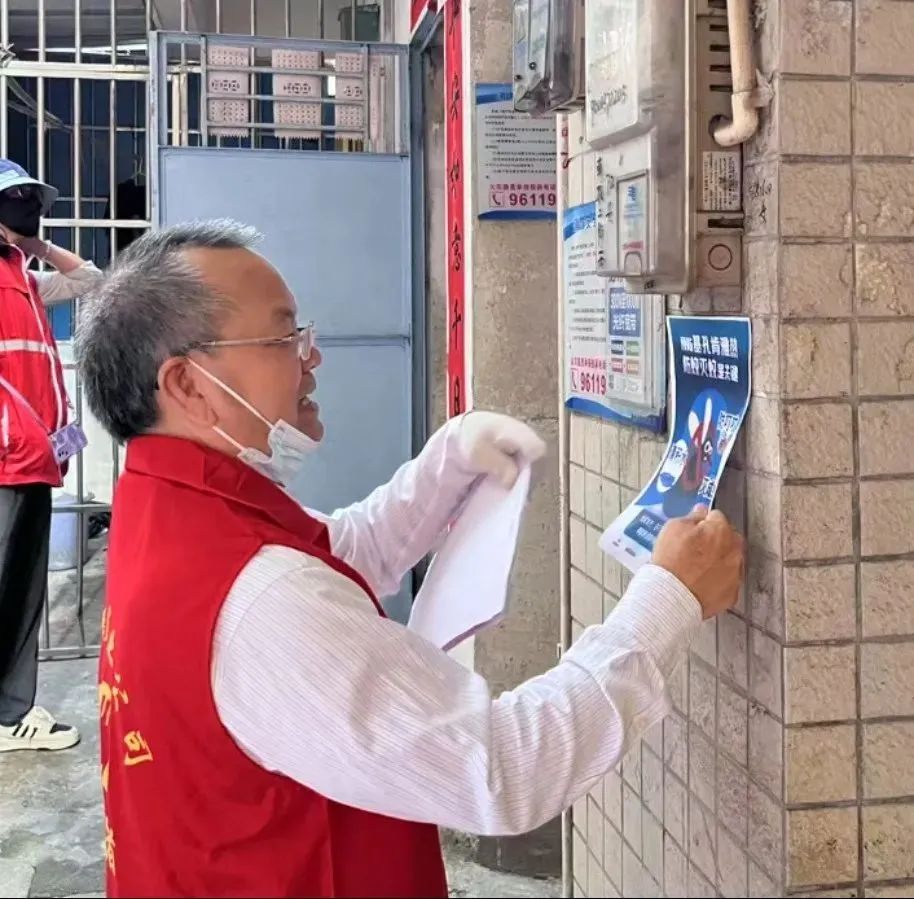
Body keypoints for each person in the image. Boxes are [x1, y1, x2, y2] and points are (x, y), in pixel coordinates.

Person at [77, 220, 744, 899]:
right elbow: (501, 769)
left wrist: (449, 459)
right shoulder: (260, 598)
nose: (311, 356)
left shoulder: (167, 510)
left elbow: (338, 553)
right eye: (283, 339)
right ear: (188, 386)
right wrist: (668, 599)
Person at [0, 160, 102, 753]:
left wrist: (35, 246)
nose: (27, 209)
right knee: (8, 587)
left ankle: (9, 712)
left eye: (32, 200)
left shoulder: (26, 279)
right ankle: (8, 715)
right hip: (8, 457)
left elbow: (90, 278)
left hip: (31, 456)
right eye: (14, 200)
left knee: (19, 588)